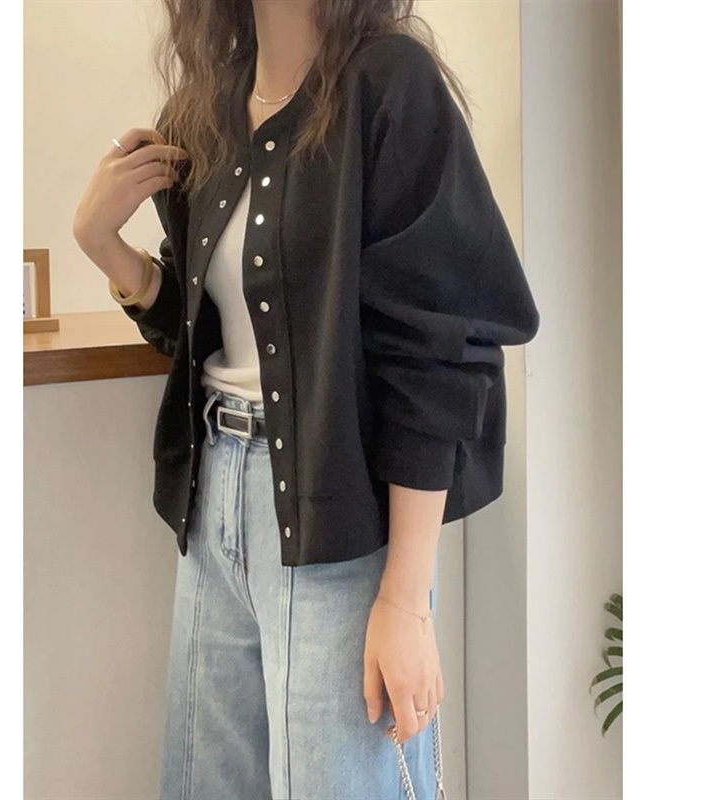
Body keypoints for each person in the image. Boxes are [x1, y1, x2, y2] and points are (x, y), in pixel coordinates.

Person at [73, 1, 540, 798]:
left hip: (340, 519)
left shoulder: (389, 83)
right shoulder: (207, 106)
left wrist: (407, 600)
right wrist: (103, 245)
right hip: (211, 507)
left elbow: (437, 349)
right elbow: (206, 327)